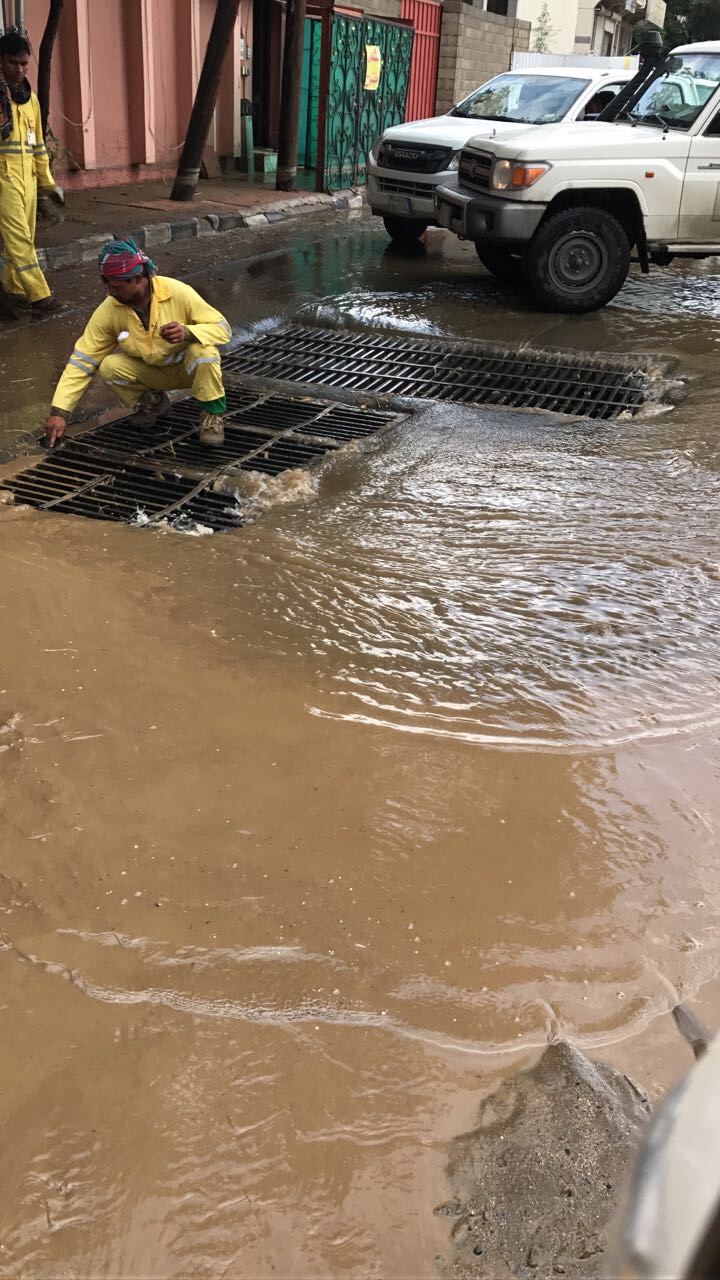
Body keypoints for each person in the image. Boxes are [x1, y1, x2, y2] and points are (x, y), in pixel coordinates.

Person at [45, 237, 232, 448]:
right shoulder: (110, 309)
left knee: (204, 353)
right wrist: (59, 412)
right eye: (107, 285)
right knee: (109, 366)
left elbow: (223, 329)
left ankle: (213, 417)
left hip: (187, 370)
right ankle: (154, 403)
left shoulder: (178, 292)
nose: (111, 292)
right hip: (151, 373)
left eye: (117, 286)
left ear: (139, 278)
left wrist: (189, 332)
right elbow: (83, 359)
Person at [0, 30, 63, 312]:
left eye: (24, 63)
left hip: (27, 179)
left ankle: (14, 289)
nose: (20, 69)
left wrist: (49, 185)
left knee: (25, 236)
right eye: (14, 62)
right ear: (1, 60)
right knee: (19, 238)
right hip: (3, 179)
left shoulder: (30, 99)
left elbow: (38, 145)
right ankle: (40, 295)